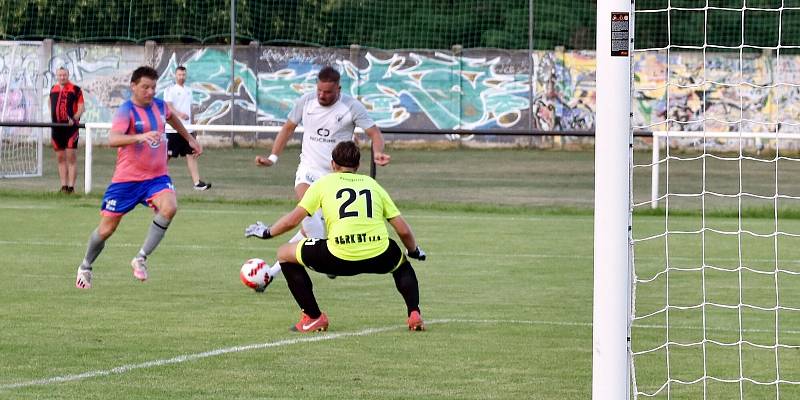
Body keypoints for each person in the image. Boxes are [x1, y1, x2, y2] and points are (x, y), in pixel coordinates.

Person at [246, 141, 427, 332]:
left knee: (284, 253)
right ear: (357, 166)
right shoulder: (373, 185)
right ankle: (414, 313)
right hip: (378, 254)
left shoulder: (323, 184)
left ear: (332, 165)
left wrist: (267, 232)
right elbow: (404, 230)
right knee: (401, 264)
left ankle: (313, 316)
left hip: (339, 257)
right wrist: (413, 251)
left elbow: (293, 220)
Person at [254, 66, 391, 280]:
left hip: (336, 177)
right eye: (319, 90)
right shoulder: (305, 102)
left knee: (311, 226)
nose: (322, 95)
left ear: (339, 88)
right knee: (307, 213)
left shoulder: (351, 107)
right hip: (308, 170)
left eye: (327, 92)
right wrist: (272, 158)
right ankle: (325, 261)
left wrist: (378, 152)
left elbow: (375, 133)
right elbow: (288, 128)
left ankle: (272, 272)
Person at [74, 66, 202, 290]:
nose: (150, 91)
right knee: (106, 230)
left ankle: (140, 258)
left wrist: (189, 138)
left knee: (170, 206)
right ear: (133, 86)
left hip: (156, 178)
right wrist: (140, 136)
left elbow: (173, 120)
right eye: (145, 87)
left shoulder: (161, 106)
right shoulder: (126, 110)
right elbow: (113, 139)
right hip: (127, 181)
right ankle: (85, 266)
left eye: (153, 87)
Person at [164, 65, 211, 191]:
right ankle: (152, 178)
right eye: (179, 74)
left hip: (187, 129)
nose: (181, 77)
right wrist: (179, 115)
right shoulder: (170, 90)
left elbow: (191, 110)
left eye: (183, 75)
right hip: (173, 129)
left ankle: (197, 183)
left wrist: (194, 127)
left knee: (191, 155)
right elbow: (168, 107)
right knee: (166, 156)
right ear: (175, 75)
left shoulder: (189, 90)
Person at [49, 67, 85, 194]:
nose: (62, 77)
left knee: (71, 157)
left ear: (68, 75)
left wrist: (74, 118)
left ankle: (71, 187)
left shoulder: (76, 89)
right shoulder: (53, 89)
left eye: (64, 75)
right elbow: (50, 105)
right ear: (57, 76)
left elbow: (81, 107)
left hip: (70, 129)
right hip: (56, 128)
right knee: (60, 158)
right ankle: (63, 187)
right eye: (60, 75)